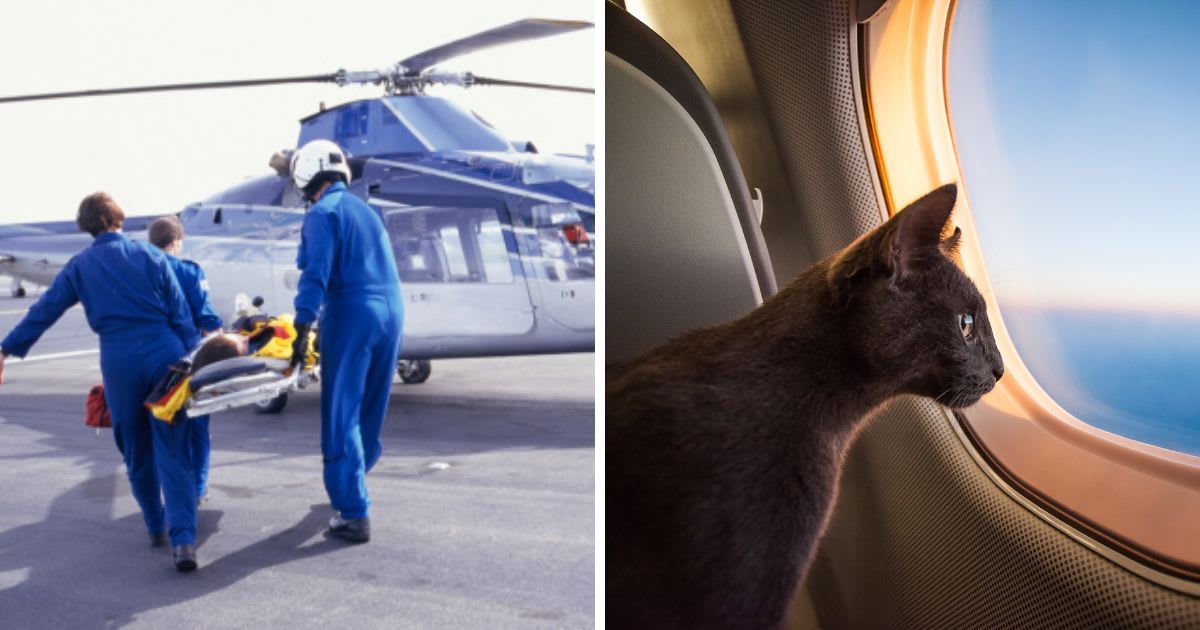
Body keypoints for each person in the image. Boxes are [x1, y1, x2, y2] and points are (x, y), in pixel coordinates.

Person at [0, 193, 204, 571]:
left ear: (87, 225)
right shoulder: (153, 256)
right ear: (117, 219)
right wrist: (197, 360)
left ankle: (155, 525)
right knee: (173, 445)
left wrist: (6, 349)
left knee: (135, 448)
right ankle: (184, 541)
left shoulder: (80, 266)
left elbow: (44, 311)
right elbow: (181, 316)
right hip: (165, 353)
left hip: (119, 360)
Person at [289, 139, 404, 543]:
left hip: (352, 312)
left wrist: (303, 328)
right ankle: (353, 481)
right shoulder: (368, 213)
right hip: (392, 312)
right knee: (371, 406)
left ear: (306, 175)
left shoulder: (323, 213)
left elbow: (315, 274)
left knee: (343, 412)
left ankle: (353, 512)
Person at [148, 216, 222, 504]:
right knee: (197, 425)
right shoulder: (190, 271)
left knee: (164, 427)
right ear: (177, 242)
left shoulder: (143, 272)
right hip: (187, 359)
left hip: (152, 358)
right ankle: (197, 487)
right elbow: (206, 315)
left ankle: (172, 488)